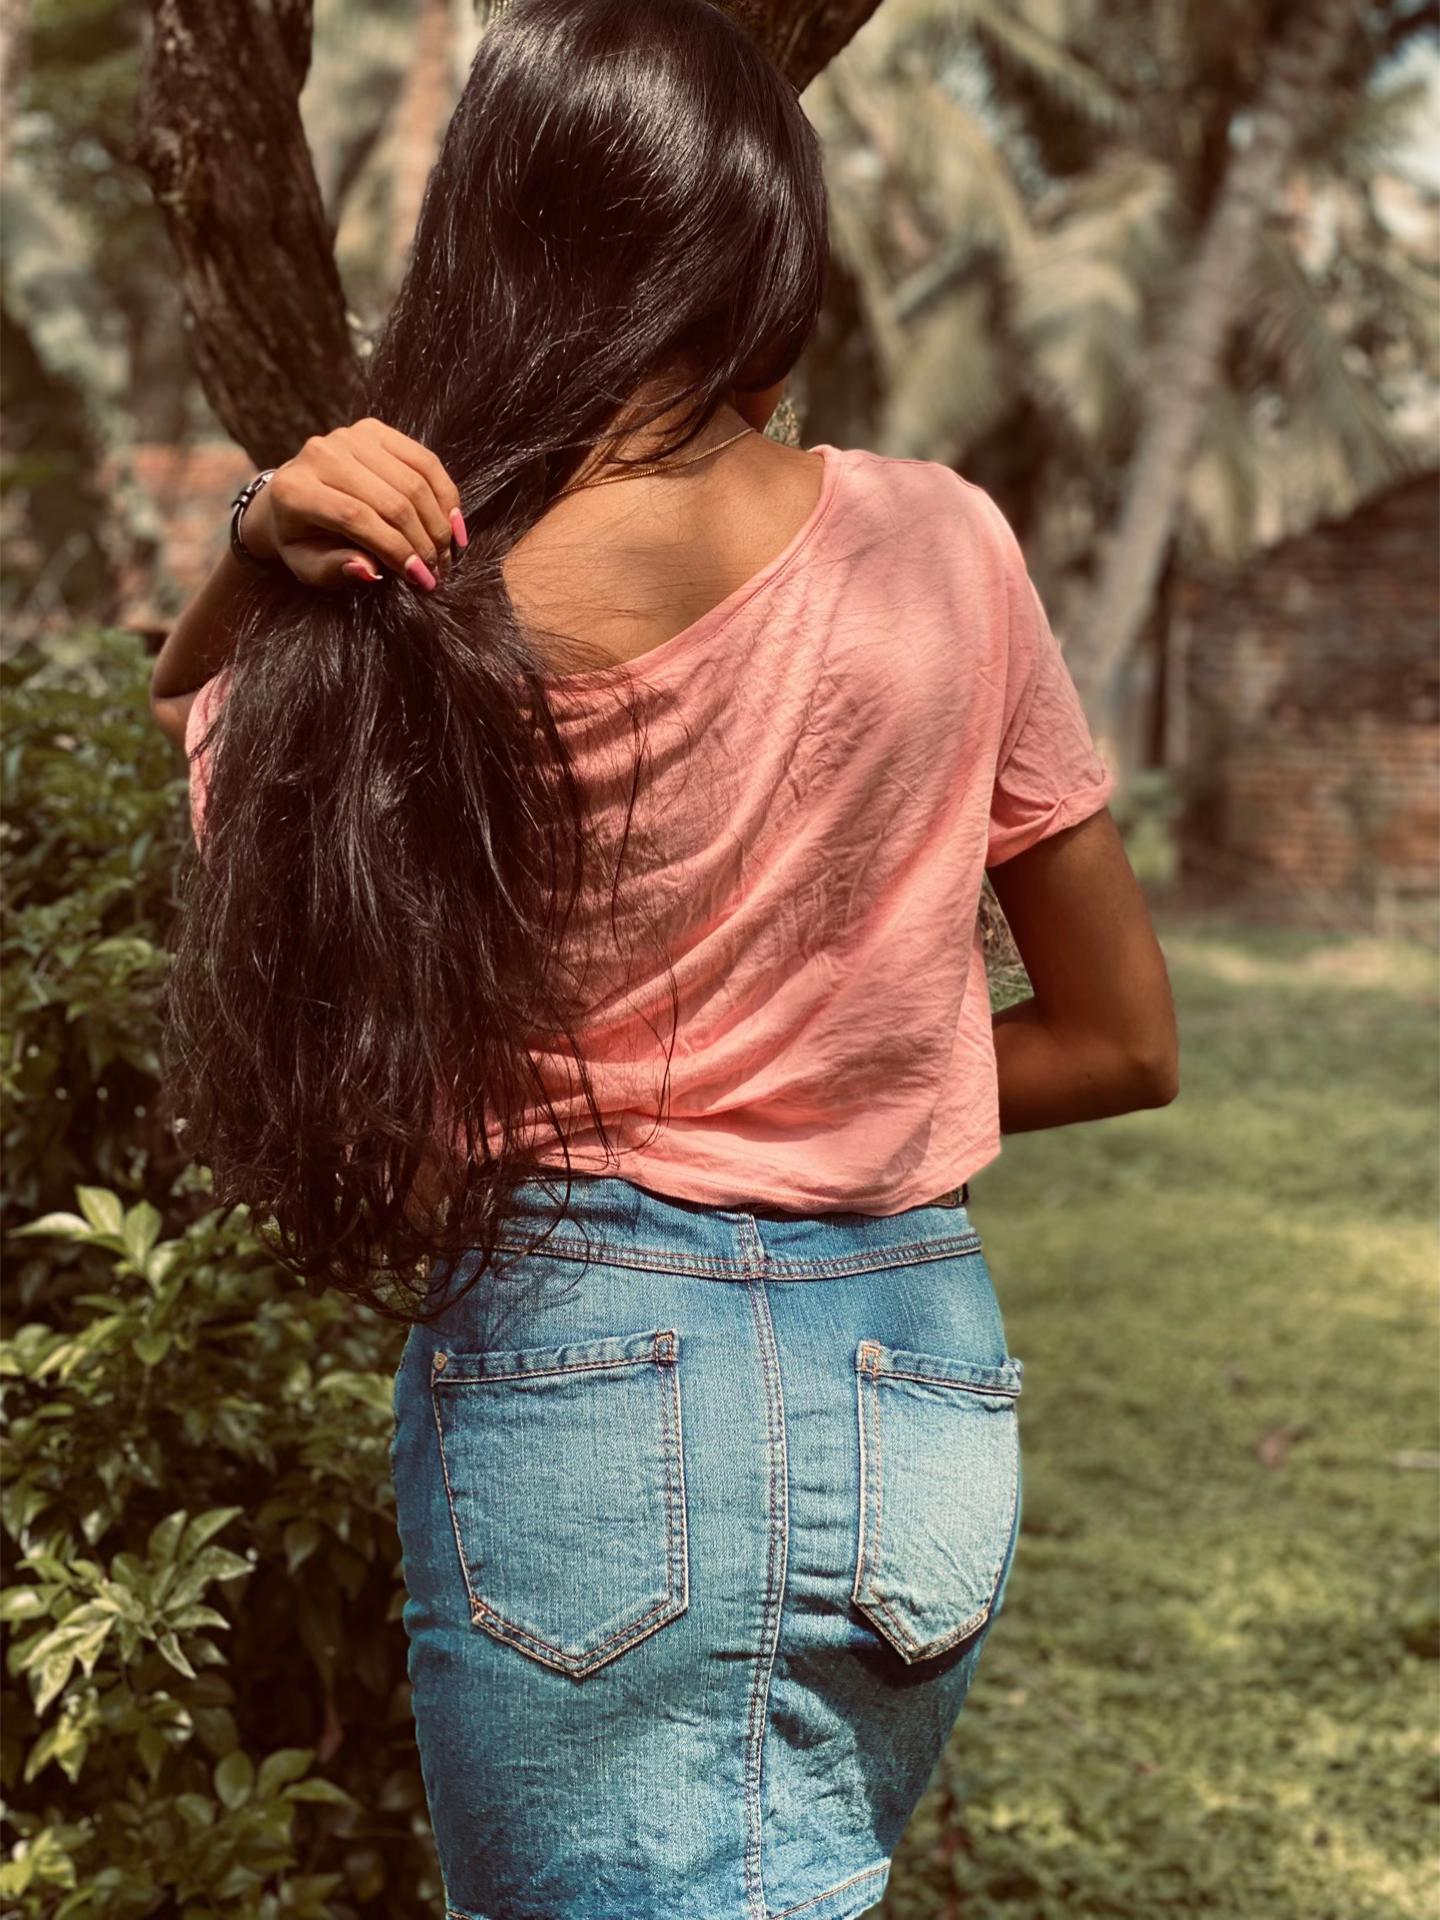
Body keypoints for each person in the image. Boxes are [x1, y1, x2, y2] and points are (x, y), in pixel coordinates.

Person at [149, 0, 1179, 1915]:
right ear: (768, 236)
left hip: (578, 1378)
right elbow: (1125, 1041)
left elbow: (189, 731)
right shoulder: (945, 547)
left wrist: (254, 531)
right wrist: (859, 1070)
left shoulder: (408, 597)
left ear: (491, 233)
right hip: (912, 1384)